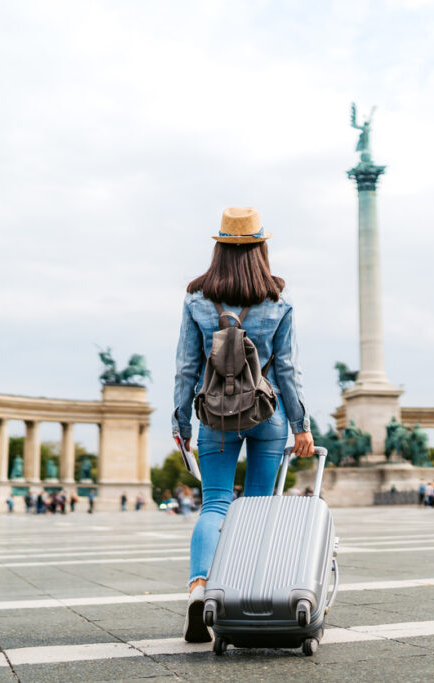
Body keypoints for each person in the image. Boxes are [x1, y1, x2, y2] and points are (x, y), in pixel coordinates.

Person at [172, 207, 314, 643]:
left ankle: (199, 587)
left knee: (215, 504)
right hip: (266, 414)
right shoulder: (278, 299)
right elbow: (287, 369)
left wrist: (182, 421)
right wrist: (301, 424)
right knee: (255, 509)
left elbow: (186, 367)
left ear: (219, 247)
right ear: (261, 247)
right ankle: (241, 592)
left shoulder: (197, 299)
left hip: (214, 415)